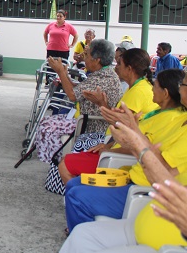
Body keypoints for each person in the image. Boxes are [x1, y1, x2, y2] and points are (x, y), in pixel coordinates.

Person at [64, 69, 187, 233]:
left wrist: (131, 136)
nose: (180, 88)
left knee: (75, 194)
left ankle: (86, 232)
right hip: (128, 171)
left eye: (184, 85)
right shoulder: (175, 117)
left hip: (140, 188)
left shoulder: (173, 118)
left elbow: (161, 165)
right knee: (73, 184)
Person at [56, 111, 187, 253]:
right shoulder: (178, 119)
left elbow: (164, 174)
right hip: (141, 222)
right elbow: (162, 174)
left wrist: (137, 146)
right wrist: (135, 141)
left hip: (163, 248)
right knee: (80, 234)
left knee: (77, 195)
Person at [58, 48, 162, 184]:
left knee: (66, 162)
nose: (116, 68)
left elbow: (120, 125)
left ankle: (81, 196)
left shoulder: (139, 91)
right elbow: (120, 122)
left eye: (119, 64)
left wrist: (101, 104)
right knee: (76, 148)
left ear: (129, 69)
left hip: (117, 148)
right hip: (113, 142)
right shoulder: (138, 87)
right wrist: (101, 103)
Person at [35, 39, 122, 164]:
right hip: (83, 118)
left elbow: (72, 95)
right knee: (46, 121)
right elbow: (79, 88)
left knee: (47, 127)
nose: (84, 58)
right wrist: (65, 75)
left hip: (92, 123)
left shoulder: (103, 78)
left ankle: (55, 164)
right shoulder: (102, 73)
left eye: (87, 55)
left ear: (97, 60)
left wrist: (60, 72)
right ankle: (55, 162)